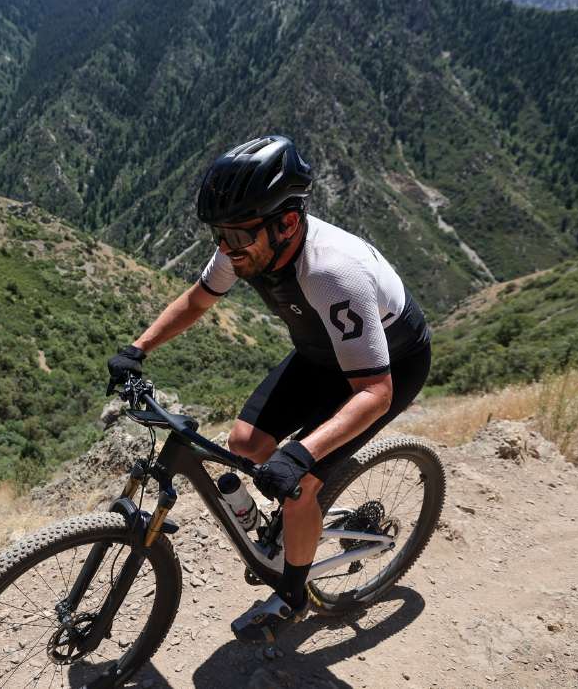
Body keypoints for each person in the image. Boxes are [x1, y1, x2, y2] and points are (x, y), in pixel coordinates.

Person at [106, 135, 432, 643]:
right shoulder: (246, 244)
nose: (226, 250)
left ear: (286, 223)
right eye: (219, 235)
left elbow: (376, 392)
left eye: (235, 238)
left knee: (300, 483)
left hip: (387, 365)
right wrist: (137, 349)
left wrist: (302, 454)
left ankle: (294, 595)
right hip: (320, 352)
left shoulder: (332, 273)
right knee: (245, 445)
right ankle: (282, 531)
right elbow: (197, 300)